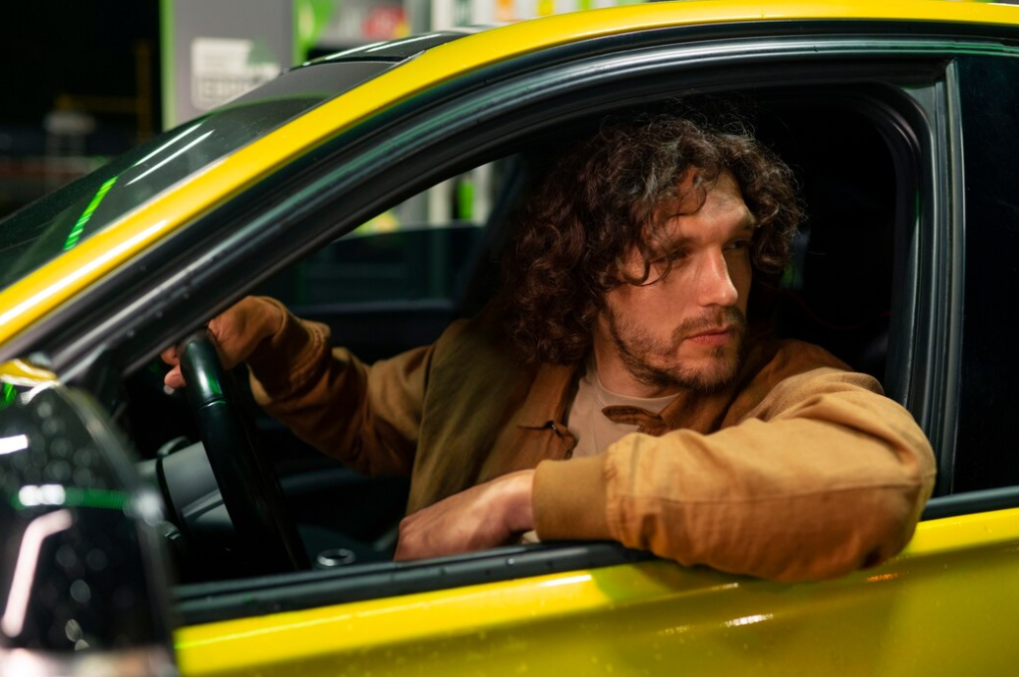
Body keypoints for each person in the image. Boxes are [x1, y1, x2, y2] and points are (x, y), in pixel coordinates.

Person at [162, 113, 935, 582]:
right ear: (591, 268)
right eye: (672, 255)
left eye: (735, 247)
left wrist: (523, 497)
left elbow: (879, 478)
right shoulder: (490, 359)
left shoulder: (778, 384)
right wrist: (271, 337)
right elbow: (370, 413)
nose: (725, 290)